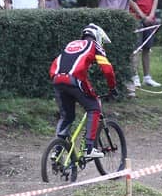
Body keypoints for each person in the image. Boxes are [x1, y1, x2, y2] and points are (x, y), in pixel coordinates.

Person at [49, 23, 118, 159]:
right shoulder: (94, 45)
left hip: (57, 79)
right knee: (94, 107)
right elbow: (107, 69)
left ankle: (57, 149)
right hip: (74, 80)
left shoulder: (71, 44)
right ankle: (88, 148)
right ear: (98, 37)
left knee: (67, 116)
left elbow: (59, 61)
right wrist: (112, 87)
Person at [129, 0, 161, 88]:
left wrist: (151, 15)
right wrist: (142, 15)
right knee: (136, 49)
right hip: (135, 16)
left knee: (147, 48)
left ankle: (147, 77)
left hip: (150, 17)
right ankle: (134, 76)